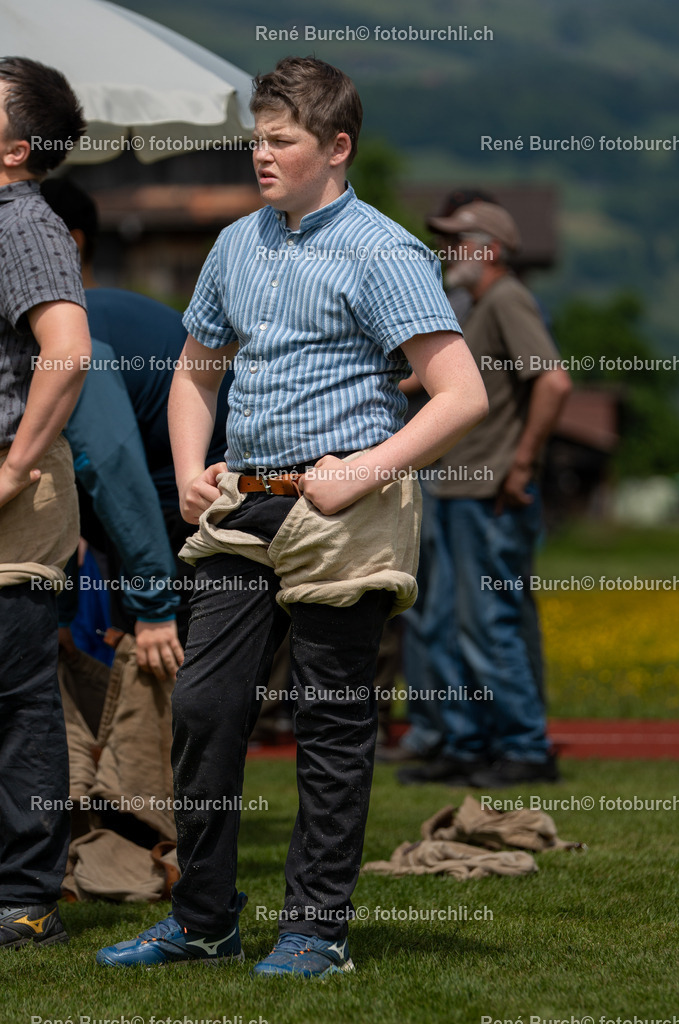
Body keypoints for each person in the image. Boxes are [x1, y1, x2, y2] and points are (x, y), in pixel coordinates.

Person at [96, 55, 488, 975]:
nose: (261, 155)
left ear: (336, 146)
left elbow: (460, 393)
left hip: (344, 511)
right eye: (257, 140)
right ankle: (204, 921)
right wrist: (188, 471)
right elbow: (196, 373)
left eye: (282, 141)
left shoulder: (384, 251)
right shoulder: (237, 243)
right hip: (244, 503)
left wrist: (363, 472)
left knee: (331, 720)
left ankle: (316, 930)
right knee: (204, 705)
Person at [397, 200, 572, 789]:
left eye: (456, 240)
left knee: (488, 624)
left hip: (487, 492)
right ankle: (468, 744)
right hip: (459, 488)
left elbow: (553, 381)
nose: (445, 250)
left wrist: (521, 464)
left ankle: (524, 747)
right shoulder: (477, 306)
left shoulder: (506, 299)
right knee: (454, 625)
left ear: (489, 250)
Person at [40, 179, 234, 677]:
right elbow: (60, 481)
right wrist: (60, 612)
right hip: (159, 493)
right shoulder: (61, 323)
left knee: (164, 665)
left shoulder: (72, 336)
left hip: (191, 495)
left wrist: (153, 605)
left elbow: (111, 465)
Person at [0, 57, 90, 948]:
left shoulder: (23, 221)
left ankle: (25, 899)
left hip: (13, 498)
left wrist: (14, 469)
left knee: (17, 699)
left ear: (17, 148)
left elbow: (68, 350)